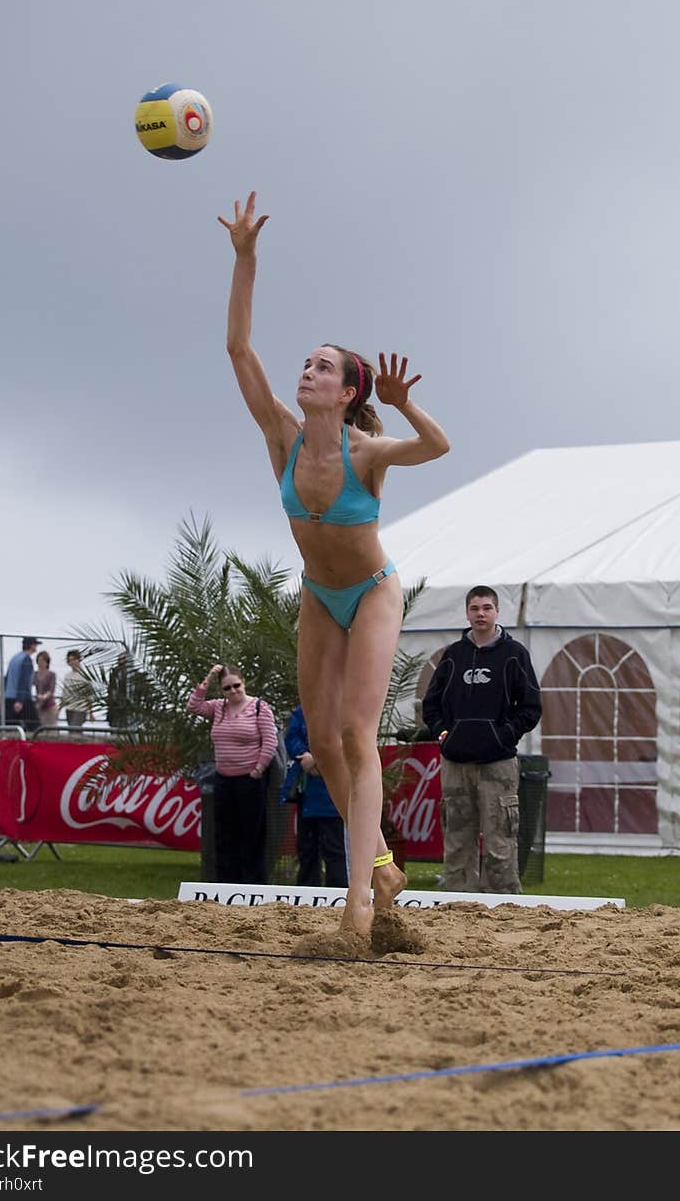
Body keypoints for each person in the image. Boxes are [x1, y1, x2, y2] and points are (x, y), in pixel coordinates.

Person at [219, 191, 450, 939]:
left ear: (349, 391)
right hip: (321, 595)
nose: (307, 371)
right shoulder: (281, 436)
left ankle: (357, 909)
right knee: (320, 747)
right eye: (307, 363)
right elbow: (238, 351)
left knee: (356, 736)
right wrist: (246, 260)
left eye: (323, 367)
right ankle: (380, 865)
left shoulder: (367, 451)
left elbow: (438, 447)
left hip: (374, 593)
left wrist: (404, 405)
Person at [422, 585, 542, 893]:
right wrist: (444, 735)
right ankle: (459, 909)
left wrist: (503, 736)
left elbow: (531, 708)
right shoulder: (453, 656)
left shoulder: (515, 655)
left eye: (487, 608)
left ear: (497, 611)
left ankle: (503, 911)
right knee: (457, 844)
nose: (481, 614)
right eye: (475, 608)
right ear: (467, 612)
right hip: (456, 766)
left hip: (497, 766)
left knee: (500, 843)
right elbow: (431, 704)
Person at [187, 663, 278, 884]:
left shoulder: (259, 708)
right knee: (224, 836)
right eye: (227, 688)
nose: (233, 691)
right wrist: (209, 677)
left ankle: (254, 884)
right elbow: (194, 706)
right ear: (221, 691)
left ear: (243, 683)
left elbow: (270, 741)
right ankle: (226, 884)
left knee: (252, 835)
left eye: (236, 685)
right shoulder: (218, 707)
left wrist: (258, 769)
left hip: (250, 780)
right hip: (223, 780)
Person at [281, 705, 349, 888]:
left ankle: (338, 894)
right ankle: (306, 895)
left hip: (335, 795)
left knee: (335, 850)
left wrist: (319, 760)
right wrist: (304, 756)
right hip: (308, 794)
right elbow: (292, 737)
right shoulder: (302, 711)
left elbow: (349, 740)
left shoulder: (346, 708)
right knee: (306, 848)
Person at [3, 636, 41, 733]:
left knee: (12, 729)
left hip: (8, 696)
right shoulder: (26, 659)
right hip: (22, 699)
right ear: (32, 646)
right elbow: (24, 681)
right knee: (35, 727)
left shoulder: (14, 658)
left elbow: (7, 678)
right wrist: (19, 700)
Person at [61, 650, 93, 730]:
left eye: (74, 659)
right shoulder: (67, 676)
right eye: (70, 660)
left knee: (74, 729)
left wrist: (91, 712)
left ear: (78, 660)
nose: (72, 662)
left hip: (81, 708)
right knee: (73, 730)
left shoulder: (85, 676)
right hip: (69, 708)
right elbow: (64, 693)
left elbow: (89, 696)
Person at [34, 650, 58, 729]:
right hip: (39, 706)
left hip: (49, 705)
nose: (41, 663)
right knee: (40, 728)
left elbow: (52, 690)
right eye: (39, 660)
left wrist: (44, 696)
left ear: (47, 662)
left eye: (43, 661)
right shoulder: (34, 674)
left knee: (51, 729)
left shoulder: (51, 674)